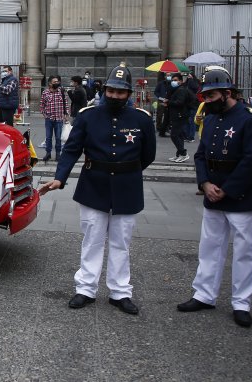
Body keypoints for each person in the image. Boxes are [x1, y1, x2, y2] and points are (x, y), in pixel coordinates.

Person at [38, 65, 156, 315]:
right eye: (111, 90)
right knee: (92, 240)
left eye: (120, 92)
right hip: (94, 185)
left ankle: (120, 291)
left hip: (127, 187)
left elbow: (148, 155)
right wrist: (60, 178)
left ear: (128, 93)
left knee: (121, 242)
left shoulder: (142, 119)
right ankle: (86, 288)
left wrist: (126, 170)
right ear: (105, 89)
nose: (114, 96)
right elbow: (72, 149)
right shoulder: (88, 115)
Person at [177, 68, 252, 328]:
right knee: (210, 247)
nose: (207, 100)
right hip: (212, 190)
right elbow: (200, 155)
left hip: (243, 194)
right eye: (205, 96)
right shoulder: (210, 118)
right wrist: (205, 182)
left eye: (212, 95)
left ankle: (241, 303)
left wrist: (227, 189)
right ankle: (204, 294)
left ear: (227, 93)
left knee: (244, 251)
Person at [39, 75, 67, 161]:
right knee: (48, 137)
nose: (57, 83)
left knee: (58, 137)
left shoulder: (61, 92)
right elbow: (41, 105)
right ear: (50, 83)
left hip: (59, 119)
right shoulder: (45, 92)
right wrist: (44, 114)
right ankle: (48, 153)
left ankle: (58, 154)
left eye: (57, 82)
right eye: (54, 82)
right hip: (49, 119)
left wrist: (66, 114)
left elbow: (66, 104)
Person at [167, 74, 193, 163]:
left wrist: (169, 102)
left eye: (175, 80)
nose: (173, 82)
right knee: (179, 135)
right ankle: (179, 154)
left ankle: (184, 153)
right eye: (172, 80)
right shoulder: (177, 89)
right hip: (178, 115)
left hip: (180, 115)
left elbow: (179, 102)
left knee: (174, 135)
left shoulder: (181, 90)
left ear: (181, 81)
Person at [153, 72, 171, 137]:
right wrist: (160, 97)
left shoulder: (171, 83)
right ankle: (159, 127)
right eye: (168, 75)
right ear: (165, 76)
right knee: (159, 114)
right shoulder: (161, 83)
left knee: (167, 115)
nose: (169, 76)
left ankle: (167, 128)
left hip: (168, 101)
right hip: (161, 100)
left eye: (170, 75)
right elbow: (156, 92)